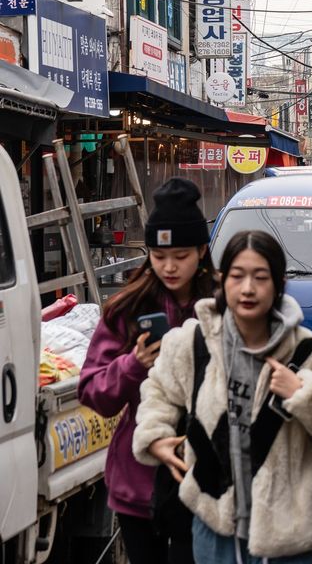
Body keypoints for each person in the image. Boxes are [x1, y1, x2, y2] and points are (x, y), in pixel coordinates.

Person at [133, 229, 312, 564]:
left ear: (277, 284)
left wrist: (305, 395)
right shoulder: (194, 342)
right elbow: (158, 390)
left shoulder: (308, 353)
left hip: (287, 541)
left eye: (260, 277)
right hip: (212, 527)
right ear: (222, 281)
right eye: (237, 276)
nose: (248, 288)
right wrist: (155, 436)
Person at [78, 177, 214, 564]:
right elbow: (93, 392)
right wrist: (132, 365)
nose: (169, 266)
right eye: (158, 255)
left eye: (181, 255)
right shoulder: (127, 308)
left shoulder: (222, 305)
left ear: (202, 251)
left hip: (206, 478)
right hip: (137, 480)